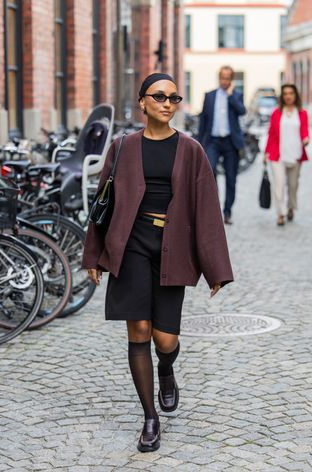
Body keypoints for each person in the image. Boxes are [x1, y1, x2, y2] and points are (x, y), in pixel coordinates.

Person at [82, 73, 233, 453]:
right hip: (130, 244)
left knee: (165, 338)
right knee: (139, 332)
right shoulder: (123, 147)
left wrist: (215, 267)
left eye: (174, 97)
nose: (168, 103)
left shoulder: (191, 149)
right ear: (143, 102)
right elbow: (104, 202)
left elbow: (207, 210)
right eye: (159, 96)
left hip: (171, 248)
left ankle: (166, 368)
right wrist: (93, 254)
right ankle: (150, 417)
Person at [197, 66, 246, 225]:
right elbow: (203, 120)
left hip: (231, 142)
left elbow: (242, 111)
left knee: (231, 179)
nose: (225, 81)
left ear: (231, 80)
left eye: (228, 78)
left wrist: (231, 96)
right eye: (222, 77)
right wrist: (199, 143)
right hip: (213, 141)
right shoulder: (210, 96)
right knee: (210, 174)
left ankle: (227, 212)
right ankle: (213, 209)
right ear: (219, 78)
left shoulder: (237, 95)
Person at [264, 84, 309, 226]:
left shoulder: (302, 113)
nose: (288, 96)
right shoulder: (277, 113)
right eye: (285, 94)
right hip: (278, 155)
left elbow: (304, 130)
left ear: (295, 95)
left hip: (295, 154)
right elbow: (271, 134)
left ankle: (290, 207)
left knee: (293, 185)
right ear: (282, 96)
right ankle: (281, 213)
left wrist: (306, 139)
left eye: (291, 93)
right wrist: (266, 152)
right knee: (278, 185)